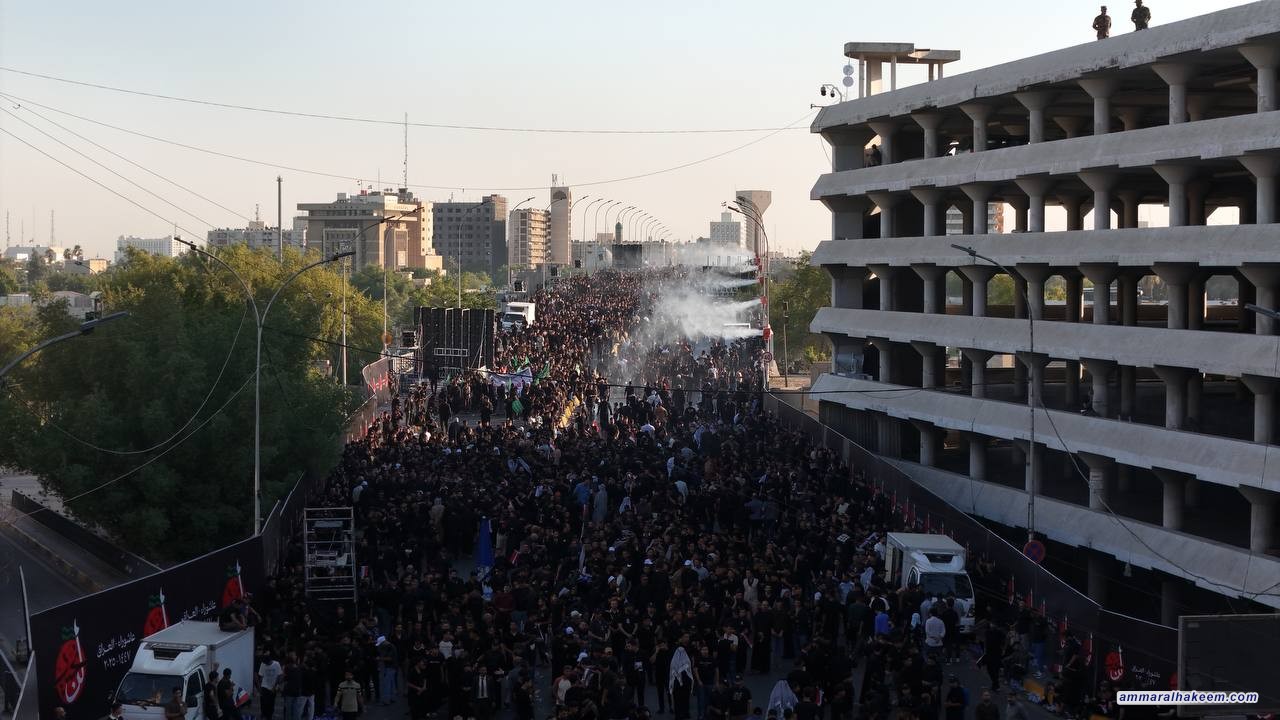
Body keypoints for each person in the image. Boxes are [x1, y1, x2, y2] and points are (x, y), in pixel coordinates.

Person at [257, 651, 282, 720]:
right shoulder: (263, 664)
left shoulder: (276, 664)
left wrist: (275, 686)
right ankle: (263, 714)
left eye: (266, 664)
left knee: (271, 702)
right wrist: (260, 687)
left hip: (273, 686)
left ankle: (269, 715)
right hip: (264, 686)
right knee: (264, 701)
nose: (266, 665)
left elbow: (279, 676)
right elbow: (261, 676)